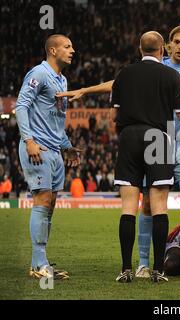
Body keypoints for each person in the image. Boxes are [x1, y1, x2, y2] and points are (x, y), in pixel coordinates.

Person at [56, 24, 180, 279]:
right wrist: (86, 90)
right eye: (176, 41)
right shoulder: (155, 66)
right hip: (154, 142)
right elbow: (118, 82)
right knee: (147, 206)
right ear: (168, 44)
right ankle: (143, 262)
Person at [110, 31, 180, 283]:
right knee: (158, 206)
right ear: (162, 51)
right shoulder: (171, 75)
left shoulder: (123, 74)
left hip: (129, 137)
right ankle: (158, 270)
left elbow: (114, 117)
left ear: (140, 49)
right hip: (158, 137)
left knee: (128, 208)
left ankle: (126, 269)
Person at [15, 34, 82, 280]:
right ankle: (39, 264)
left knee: (50, 204)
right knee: (42, 201)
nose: (72, 50)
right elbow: (21, 106)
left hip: (54, 150)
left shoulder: (62, 80)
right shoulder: (39, 74)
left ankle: (39, 263)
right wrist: (29, 141)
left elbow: (55, 121)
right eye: (67, 46)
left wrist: (67, 146)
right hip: (38, 148)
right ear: (53, 50)